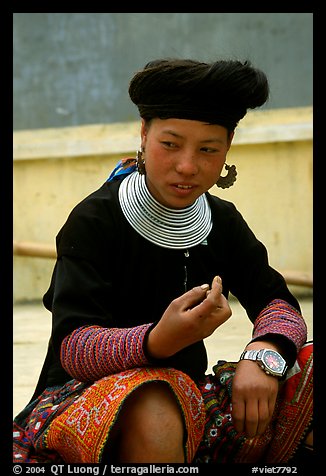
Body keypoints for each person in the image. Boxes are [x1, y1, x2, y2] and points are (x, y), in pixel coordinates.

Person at [13, 58, 313, 464]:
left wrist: (264, 354)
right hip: (84, 399)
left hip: (187, 399)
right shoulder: (94, 221)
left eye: (208, 149)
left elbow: (278, 305)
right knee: (153, 398)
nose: (187, 166)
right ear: (143, 133)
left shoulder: (220, 221)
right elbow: (75, 347)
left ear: (227, 150)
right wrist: (158, 340)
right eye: (170, 144)